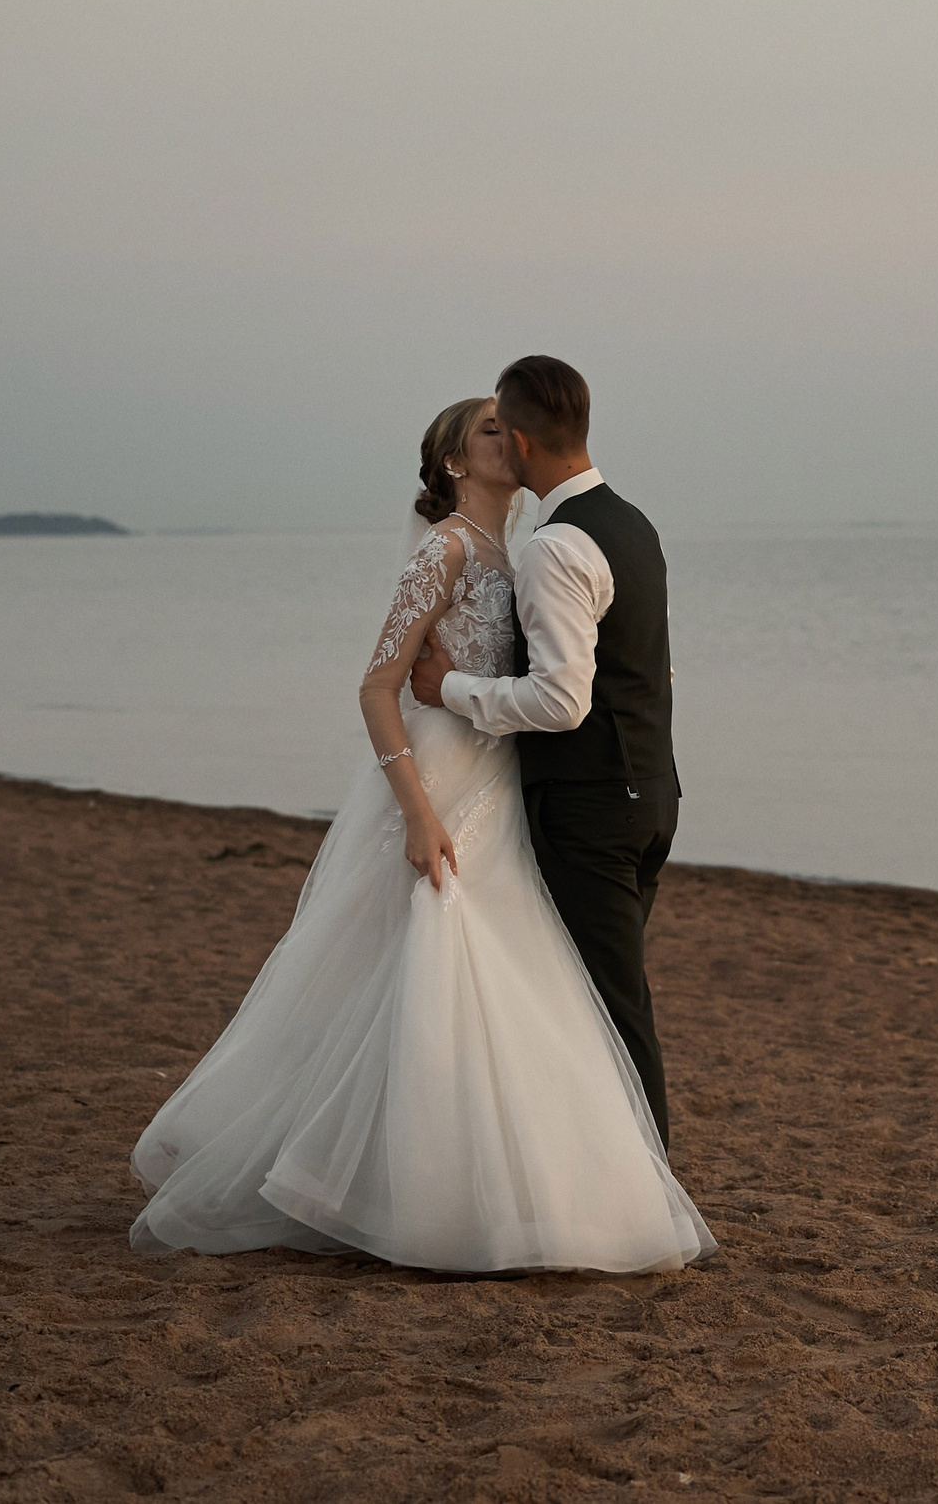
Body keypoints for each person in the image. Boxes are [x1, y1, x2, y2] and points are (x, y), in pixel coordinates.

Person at [127, 392, 713, 1275]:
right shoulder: (444, 551)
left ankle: (478, 1184)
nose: (506, 438)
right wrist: (417, 810)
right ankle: (394, 1190)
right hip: (440, 778)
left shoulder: (520, 554)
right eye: (487, 429)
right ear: (452, 462)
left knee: (503, 974)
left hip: (499, 781)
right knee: (426, 965)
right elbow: (376, 686)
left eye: (507, 426)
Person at [409, 356, 686, 1150]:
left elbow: (562, 701)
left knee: (607, 1005)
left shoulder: (553, 547)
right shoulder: (633, 524)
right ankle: (602, 1171)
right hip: (653, 796)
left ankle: (646, 1185)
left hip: (593, 808)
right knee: (601, 997)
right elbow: (650, 665)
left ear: (523, 443)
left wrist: (451, 688)